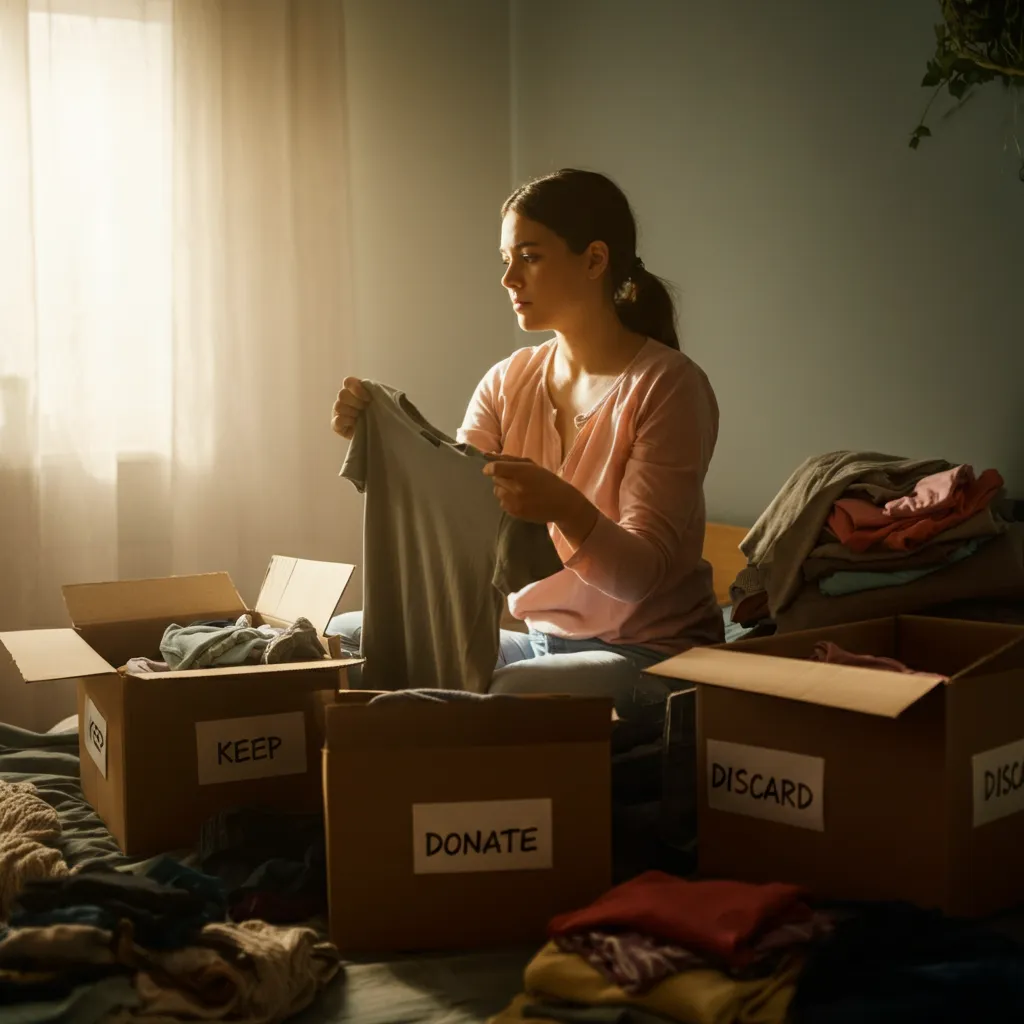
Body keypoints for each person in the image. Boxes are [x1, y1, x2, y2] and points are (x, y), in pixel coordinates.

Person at [329, 168, 722, 716]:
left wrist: (562, 507)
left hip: (650, 654)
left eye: (530, 257)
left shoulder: (669, 387)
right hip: (538, 642)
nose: (509, 278)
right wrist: (383, 444)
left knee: (512, 693)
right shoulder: (507, 380)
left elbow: (638, 578)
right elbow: (458, 511)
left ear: (594, 260)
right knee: (341, 638)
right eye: (506, 259)